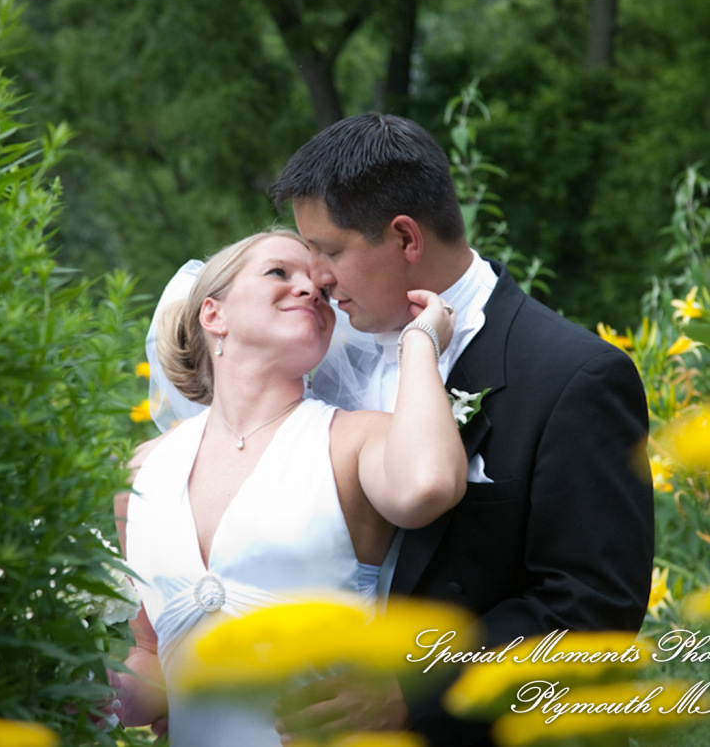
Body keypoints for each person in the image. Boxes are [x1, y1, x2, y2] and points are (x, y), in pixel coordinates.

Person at [266, 113, 655, 746]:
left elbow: (591, 605)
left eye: (331, 250)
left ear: (405, 239)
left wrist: (413, 691)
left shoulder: (571, 376)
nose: (317, 278)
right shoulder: (317, 362)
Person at [112, 229, 467, 746]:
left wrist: (419, 342)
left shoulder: (354, 439)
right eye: (280, 272)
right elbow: (152, 656)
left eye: (323, 292)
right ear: (214, 315)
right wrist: (100, 692)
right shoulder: (140, 474)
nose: (309, 290)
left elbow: (427, 485)